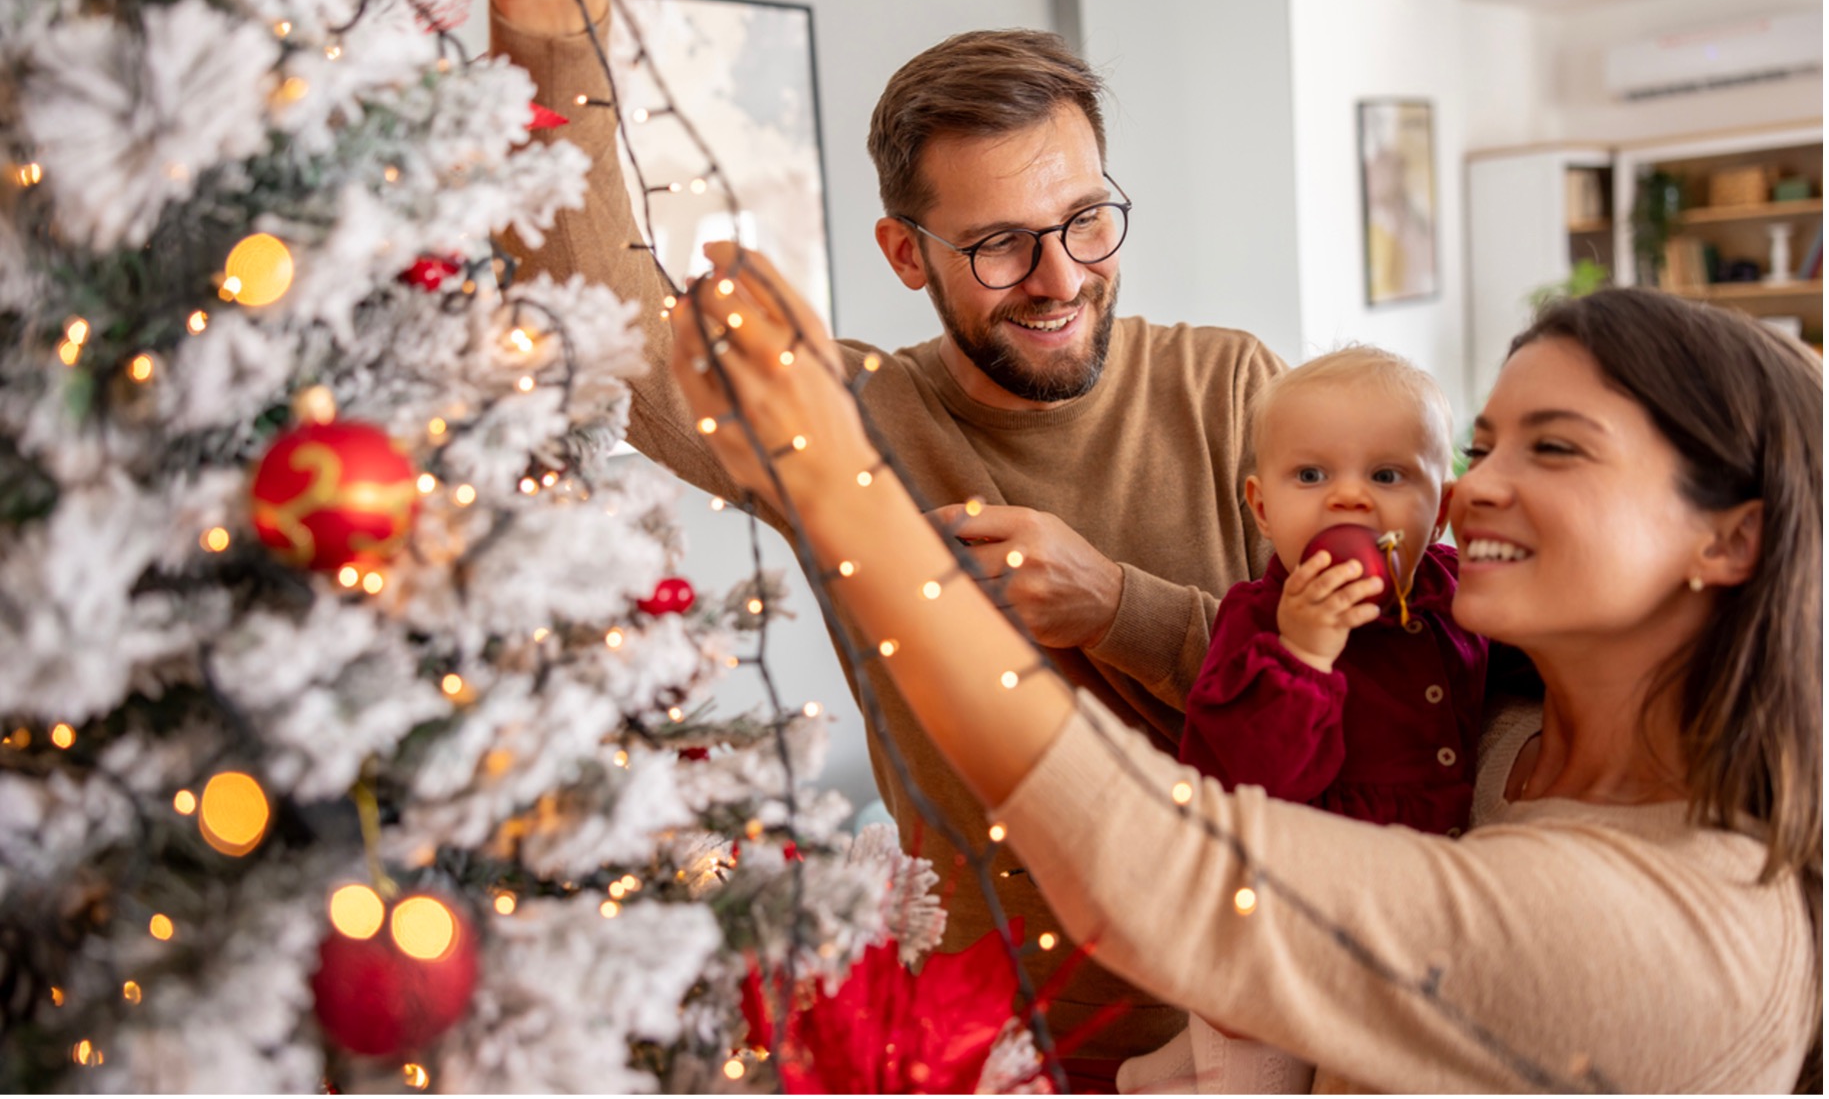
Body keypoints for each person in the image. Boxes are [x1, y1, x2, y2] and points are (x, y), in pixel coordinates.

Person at [437, 0, 1283, 1067]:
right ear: (903, 253)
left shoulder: (1234, 386)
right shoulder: (844, 414)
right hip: (993, 1047)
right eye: (996, 244)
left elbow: (1360, 689)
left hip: (1256, 1028)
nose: (1058, 277)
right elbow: (607, 334)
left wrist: (1116, 607)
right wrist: (542, 10)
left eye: (1085, 218)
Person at [669, 260, 1821, 1092]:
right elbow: (1250, 704)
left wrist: (836, 483)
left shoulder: (1668, 925)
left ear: (1730, 541)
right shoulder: (1513, 725)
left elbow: (1160, 866)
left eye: (1553, 446)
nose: (1467, 492)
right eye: (1480, 447)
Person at [1122, 347, 1486, 1094]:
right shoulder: (1254, 624)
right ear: (1261, 507)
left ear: (1440, 509)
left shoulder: (1463, 598)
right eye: (1311, 476)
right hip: (1282, 930)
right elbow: (1239, 782)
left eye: (1386, 476)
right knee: (1257, 1072)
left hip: (1404, 920)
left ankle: (1175, 1068)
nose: (1348, 499)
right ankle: (1191, 1066)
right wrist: (1303, 655)